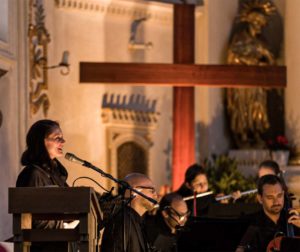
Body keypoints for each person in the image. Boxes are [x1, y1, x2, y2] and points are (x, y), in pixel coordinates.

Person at [15, 119, 69, 251]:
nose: (63, 142)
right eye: (58, 138)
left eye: (62, 138)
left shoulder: (56, 175)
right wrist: (65, 224)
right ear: (42, 141)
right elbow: (33, 221)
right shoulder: (33, 174)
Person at [236, 175, 300, 252]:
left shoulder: (294, 220)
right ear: (260, 198)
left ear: (283, 194)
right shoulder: (250, 224)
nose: (276, 202)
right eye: (270, 197)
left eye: (279, 196)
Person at [101, 173, 158, 252]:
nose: (156, 195)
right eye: (152, 190)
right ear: (135, 191)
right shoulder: (121, 221)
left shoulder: (137, 221)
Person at [176, 164, 240, 216]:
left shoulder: (213, 198)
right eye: (198, 184)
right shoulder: (180, 199)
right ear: (188, 185)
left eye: (205, 183)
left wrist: (225, 203)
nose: (203, 186)